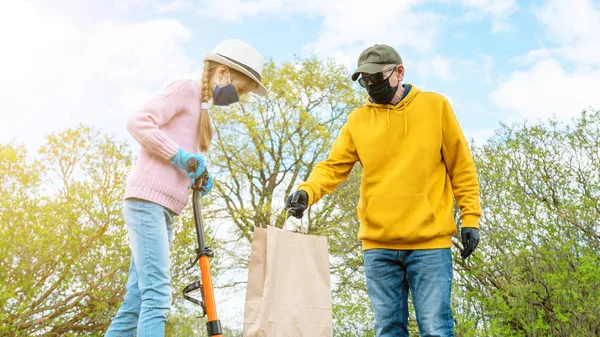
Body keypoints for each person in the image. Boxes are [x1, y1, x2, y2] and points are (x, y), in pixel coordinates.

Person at [285, 44, 482, 337]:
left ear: (399, 72)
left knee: (435, 328)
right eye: (365, 81)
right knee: (388, 330)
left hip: (429, 243)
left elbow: (461, 168)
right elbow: (333, 166)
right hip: (378, 245)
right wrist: (307, 191)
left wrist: (471, 219)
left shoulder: (435, 107)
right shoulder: (358, 120)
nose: (371, 86)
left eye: (377, 78)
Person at [106, 39, 267, 337]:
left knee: (136, 299)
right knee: (157, 294)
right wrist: (178, 156)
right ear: (222, 73)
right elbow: (138, 122)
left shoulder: (202, 111)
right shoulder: (185, 89)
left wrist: (198, 176)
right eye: (241, 89)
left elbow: (182, 159)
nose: (238, 97)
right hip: (146, 202)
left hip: (163, 209)